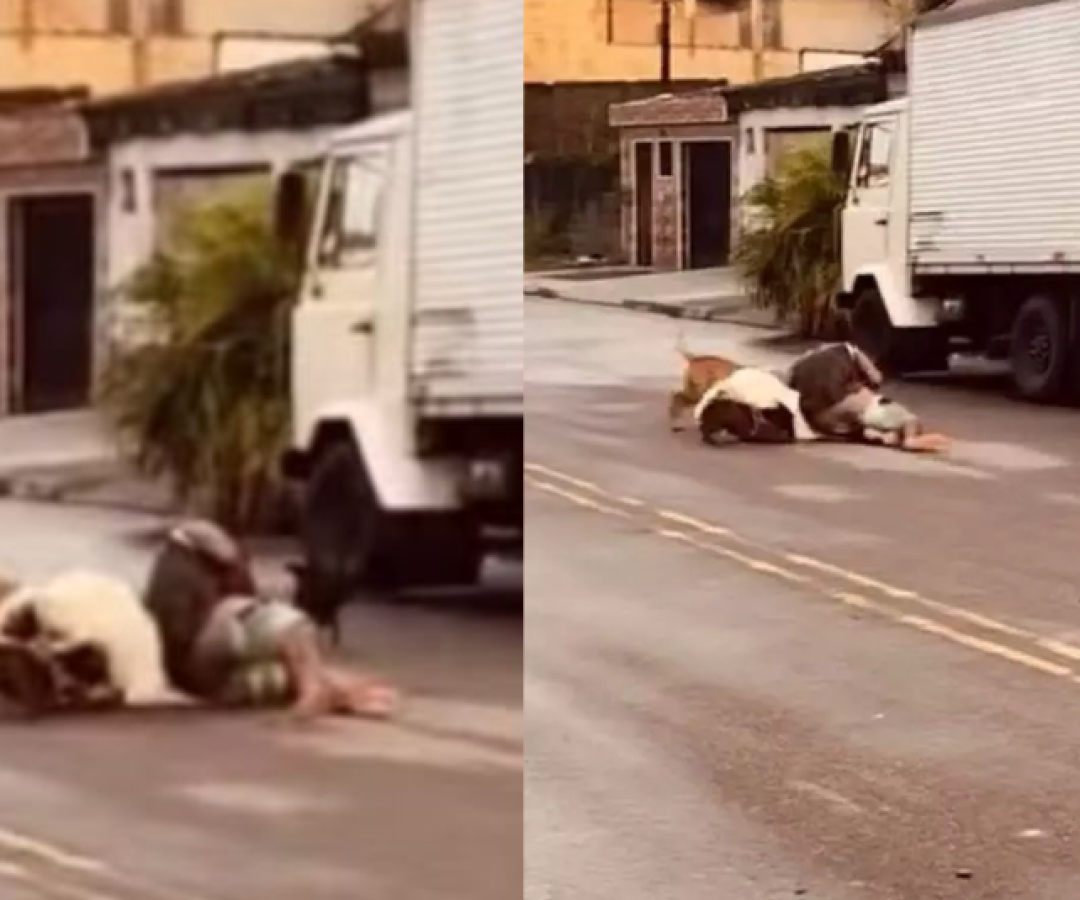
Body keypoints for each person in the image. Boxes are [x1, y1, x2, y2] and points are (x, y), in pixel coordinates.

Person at [142, 519, 398, 719]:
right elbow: (178, 633)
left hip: (212, 684)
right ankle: (318, 688)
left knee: (285, 672)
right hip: (195, 657)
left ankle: (345, 694)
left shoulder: (200, 566)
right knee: (270, 620)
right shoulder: (178, 574)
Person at [784, 342, 948, 452]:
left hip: (815, 418)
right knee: (909, 419)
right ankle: (910, 439)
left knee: (855, 423)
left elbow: (787, 385)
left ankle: (876, 433)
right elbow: (876, 378)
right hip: (846, 402)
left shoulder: (800, 362)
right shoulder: (850, 349)